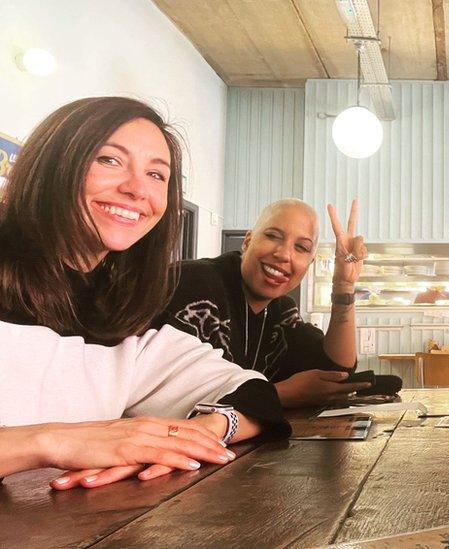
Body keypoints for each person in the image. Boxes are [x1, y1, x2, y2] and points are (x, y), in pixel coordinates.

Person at [0, 97, 289, 490]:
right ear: (52, 163)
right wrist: (49, 442)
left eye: (157, 175)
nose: (137, 189)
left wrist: (193, 434)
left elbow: (254, 396)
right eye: (109, 160)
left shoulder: (123, 313)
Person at [155, 198, 370, 408]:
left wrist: (343, 285)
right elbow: (163, 392)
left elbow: (336, 371)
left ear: (309, 264)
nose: (284, 254)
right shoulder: (191, 281)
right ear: (248, 241)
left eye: (301, 248)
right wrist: (279, 395)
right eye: (272, 236)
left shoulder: (281, 311)